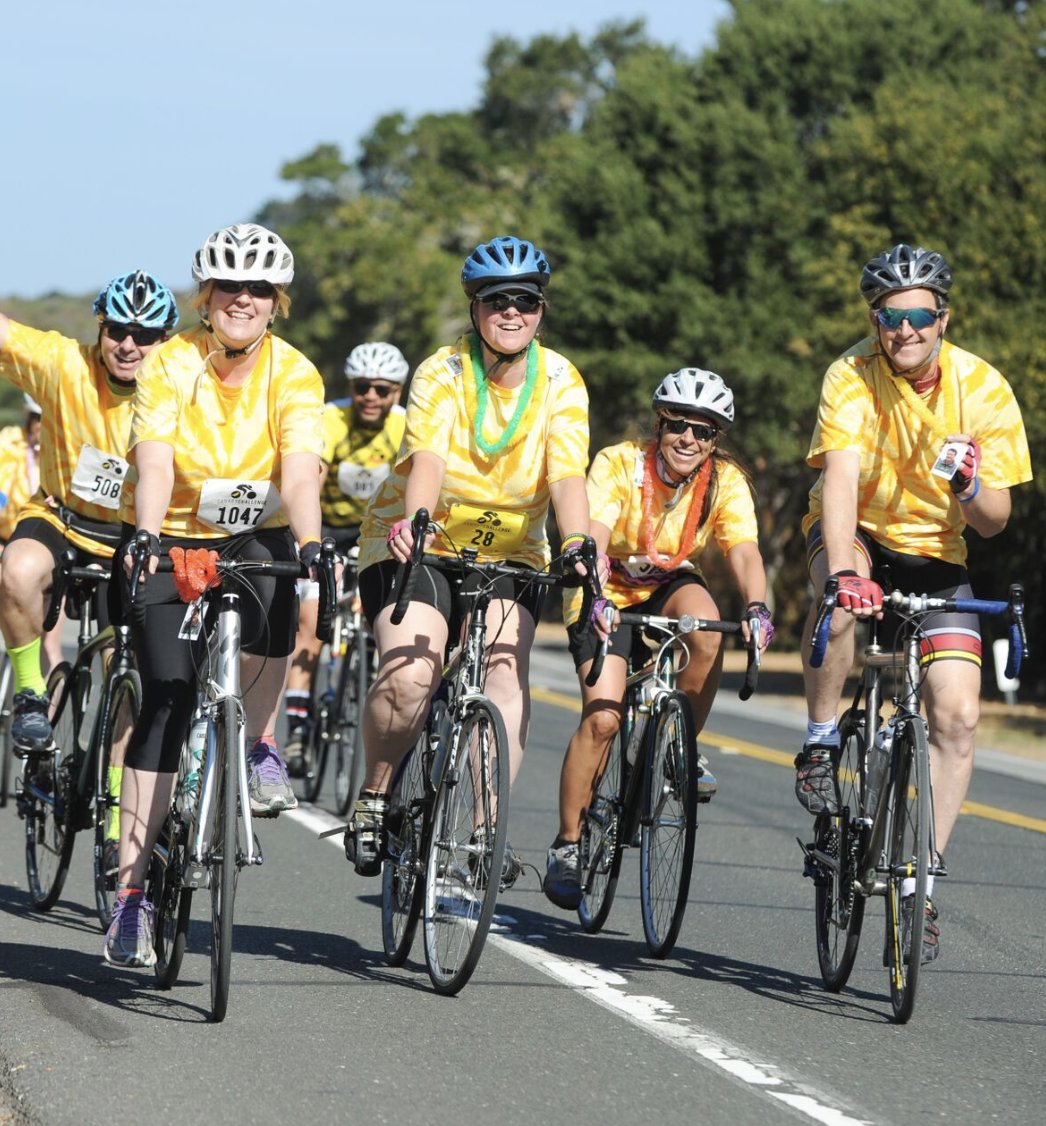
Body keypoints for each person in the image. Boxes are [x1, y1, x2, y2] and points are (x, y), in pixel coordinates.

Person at [795, 243, 1032, 963]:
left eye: (919, 315)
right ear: (875, 319)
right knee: (841, 607)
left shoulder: (982, 387)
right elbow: (839, 477)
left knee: (957, 713)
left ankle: (919, 881)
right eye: (889, 316)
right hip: (860, 531)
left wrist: (967, 485)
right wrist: (842, 571)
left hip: (938, 557)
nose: (904, 329)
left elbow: (995, 521)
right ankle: (820, 738)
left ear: (943, 316)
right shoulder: (852, 373)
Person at [104, 223, 326, 968]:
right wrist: (143, 533)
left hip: (252, 538)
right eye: (229, 286)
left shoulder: (295, 373)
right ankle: (131, 898)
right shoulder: (170, 364)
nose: (243, 299)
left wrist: (315, 539)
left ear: (277, 302)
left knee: (283, 573)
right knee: (167, 691)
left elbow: (299, 471)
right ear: (206, 295)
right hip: (173, 537)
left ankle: (258, 744)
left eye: (258, 288)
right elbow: (156, 463)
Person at [344, 234, 592, 882]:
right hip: (422, 537)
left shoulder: (561, 380)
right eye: (496, 301)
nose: (512, 313)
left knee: (505, 679)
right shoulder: (441, 372)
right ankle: (374, 796)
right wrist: (416, 523)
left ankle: (485, 833)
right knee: (410, 675)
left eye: (526, 302)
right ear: (474, 307)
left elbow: (567, 476)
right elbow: (427, 460)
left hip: (512, 551)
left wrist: (576, 543)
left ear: (541, 308)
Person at [542, 369, 773, 908]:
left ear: (717, 439)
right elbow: (593, 535)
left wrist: (758, 607)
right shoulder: (619, 462)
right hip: (607, 588)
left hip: (668, 581)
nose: (689, 439)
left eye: (704, 431)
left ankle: (680, 749)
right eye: (678, 426)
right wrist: (595, 593)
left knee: (708, 626)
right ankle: (568, 845)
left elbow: (743, 550)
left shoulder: (724, 481)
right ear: (659, 424)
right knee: (603, 718)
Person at [0, 272, 176, 806]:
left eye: (145, 335)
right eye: (119, 329)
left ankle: (120, 830)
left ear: (165, 340)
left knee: (128, 685)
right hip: (62, 518)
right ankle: (31, 693)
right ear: (100, 327)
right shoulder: (61, 364)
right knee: (16, 570)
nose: (129, 345)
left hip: (132, 538)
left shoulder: (181, 385)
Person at [283, 341, 408, 776]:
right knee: (311, 621)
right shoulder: (331, 420)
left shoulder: (404, 428)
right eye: (362, 388)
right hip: (329, 530)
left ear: (397, 392)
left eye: (382, 389)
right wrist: (312, 543)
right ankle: (297, 732)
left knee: (383, 624)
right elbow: (310, 480)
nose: (371, 397)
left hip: (377, 533)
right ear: (350, 388)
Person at [0, 395, 64, 671]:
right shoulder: (8, 446)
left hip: (55, 550)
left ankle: (46, 711)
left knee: (49, 645)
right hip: (7, 540)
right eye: (38, 419)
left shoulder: (67, 453)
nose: (42, 426)